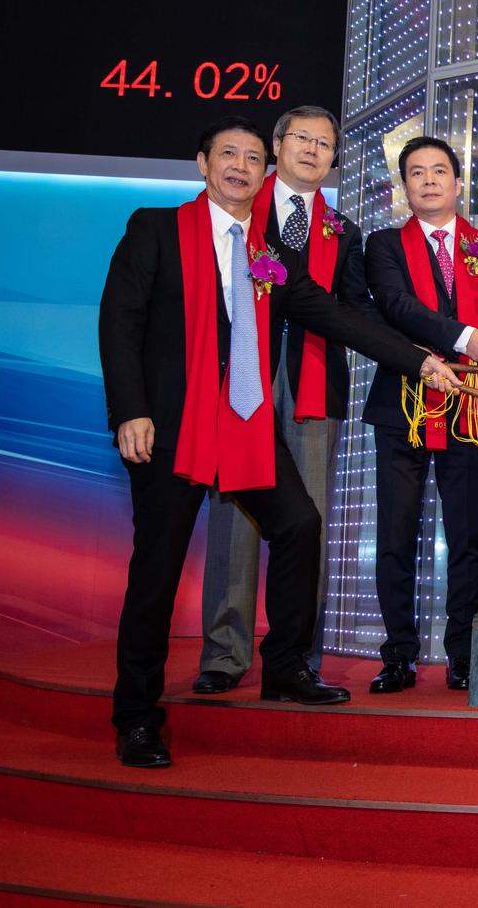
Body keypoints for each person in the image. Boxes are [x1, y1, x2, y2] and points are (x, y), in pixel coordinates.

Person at [98, 116, 458, 768]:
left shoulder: (269, 256)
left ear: (264, 170)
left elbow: (335, 315)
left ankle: (286, 665)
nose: (240, 166)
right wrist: (131, 411)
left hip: (244, 426)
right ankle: (136, 717)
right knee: (156, 571)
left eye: (251, 157)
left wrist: (419, 361)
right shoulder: (155, 228)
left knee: (299, 524)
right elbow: (119, 323)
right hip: (173, 427)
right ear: (203, 163)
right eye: (228, 154)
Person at [193, 106, 361, 696]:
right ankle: (224, 653)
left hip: (314, 378)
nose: (312, 150)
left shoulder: (344, 231)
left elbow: (353, 312)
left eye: (325, 143)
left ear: (333, 158)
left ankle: (295, 659)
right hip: (241, 379)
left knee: (308, 523)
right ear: (277, 145)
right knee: (234, 522)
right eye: (302, 139)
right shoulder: (239, 208)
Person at [364, 136, 478, 693]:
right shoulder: (383, 245)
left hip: (471, 408)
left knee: (467, 536)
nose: (428, 181)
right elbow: (396, 307)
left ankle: (464, 654)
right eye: (416, 172)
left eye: (439, 171)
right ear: (404, 186)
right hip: (400, 406)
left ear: (458, 182)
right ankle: (398, 654)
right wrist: (464, 336)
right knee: (396, 536)